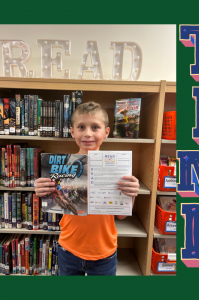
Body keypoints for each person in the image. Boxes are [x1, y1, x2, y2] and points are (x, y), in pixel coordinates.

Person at [35, 101, 140, 276]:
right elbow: (55, 203)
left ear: (106, 132)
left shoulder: (116, 169)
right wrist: (41, 190)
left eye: (95, 127)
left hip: (104, 253)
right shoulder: (61, 167)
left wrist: (132, 193)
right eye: (81, 127)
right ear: (72, 131)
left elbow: (121, 215)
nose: (88, 134)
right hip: (68, 249)